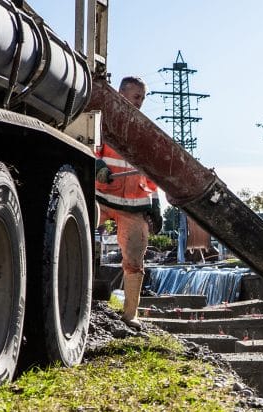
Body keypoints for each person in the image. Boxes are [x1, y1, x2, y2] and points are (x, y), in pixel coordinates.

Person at [95, 75, 160, 328]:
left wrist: (155, 205)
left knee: (134, 260)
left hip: (134, 205)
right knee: (78, 239)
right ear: (121, 95)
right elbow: (90, 146)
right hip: (100, 198)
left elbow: (152, 172)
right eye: (136, 97)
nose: (140, 103)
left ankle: (130, 314)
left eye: (143, 98)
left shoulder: (146, 130)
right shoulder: (105, 122)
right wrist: (97, 164)